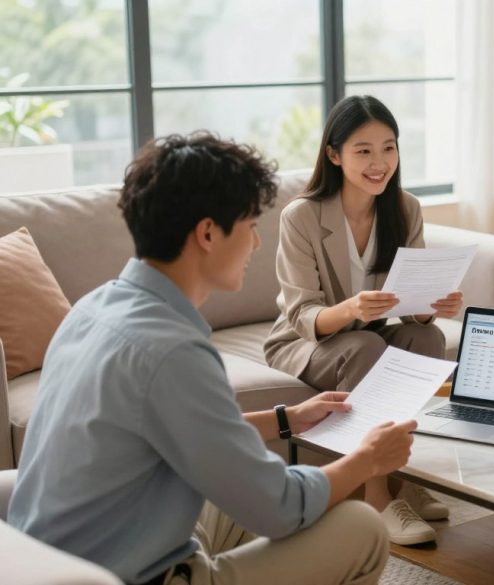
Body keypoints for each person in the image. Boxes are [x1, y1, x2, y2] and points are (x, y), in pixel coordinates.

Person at [8, 132, 416, 585]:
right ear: (207, 233)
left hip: (52, 560)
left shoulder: (92, 309)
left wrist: (287, 419)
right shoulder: (172, 350)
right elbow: (281, 508)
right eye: (250, 226)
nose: (257, 245)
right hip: (135, 577)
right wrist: (367, 459)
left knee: (239, 479)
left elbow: (182, 433)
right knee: (359, 527)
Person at [263, 95, 461, 545]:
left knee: (426, 336)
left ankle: (407, 477)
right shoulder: (303, 216)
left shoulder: (405, 207)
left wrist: (434, 303)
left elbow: (410, 306)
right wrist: (352, 308)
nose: (380, 162)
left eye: (388, 148)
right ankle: (376, 494)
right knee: (367, 347)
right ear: (334, 155)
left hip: (369, 331)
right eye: (364, 150)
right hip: (306, 341)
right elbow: (301, 314)